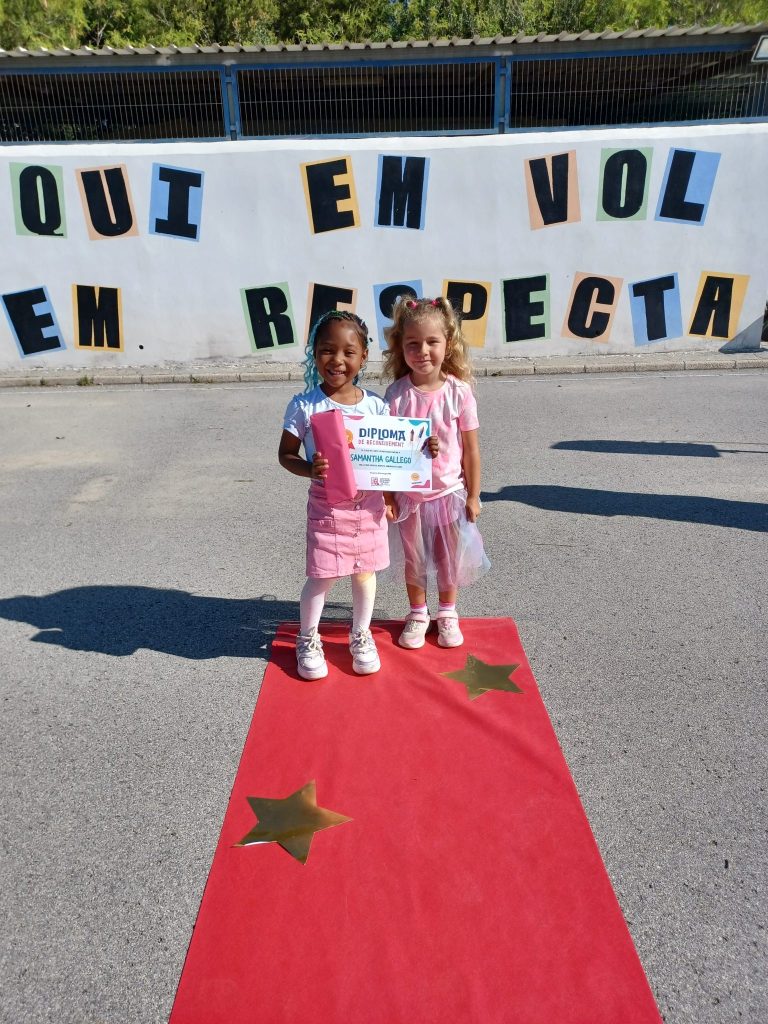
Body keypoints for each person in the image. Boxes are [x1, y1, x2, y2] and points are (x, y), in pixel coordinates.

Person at [279, 310, 391, 680]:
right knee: (322, 576)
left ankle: (360, 634)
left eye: (348, 352)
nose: (337, 360)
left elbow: (397, 455)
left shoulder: (376, 406)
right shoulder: (305, 405)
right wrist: (309, 469)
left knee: (365, 573)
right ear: (314, 353)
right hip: (327, 509)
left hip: (368, 508)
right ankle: (307, 638)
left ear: (364, 357)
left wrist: (426, 448)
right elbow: (286, 454)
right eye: (327, 350)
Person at [383, 296, 489, 650]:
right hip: (409, 495)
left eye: (432, 342)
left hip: (448, 493)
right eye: (413, 343)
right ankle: (418, 613)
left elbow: (471, 450)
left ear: (448, 343)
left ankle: (447, 612)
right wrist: (387, 496)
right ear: (401, 346)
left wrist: (473, 495)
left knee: (448, 557)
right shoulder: (396, 395)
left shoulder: (459, 393)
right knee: (413, 557)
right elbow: (386, 453)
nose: (423, 351)